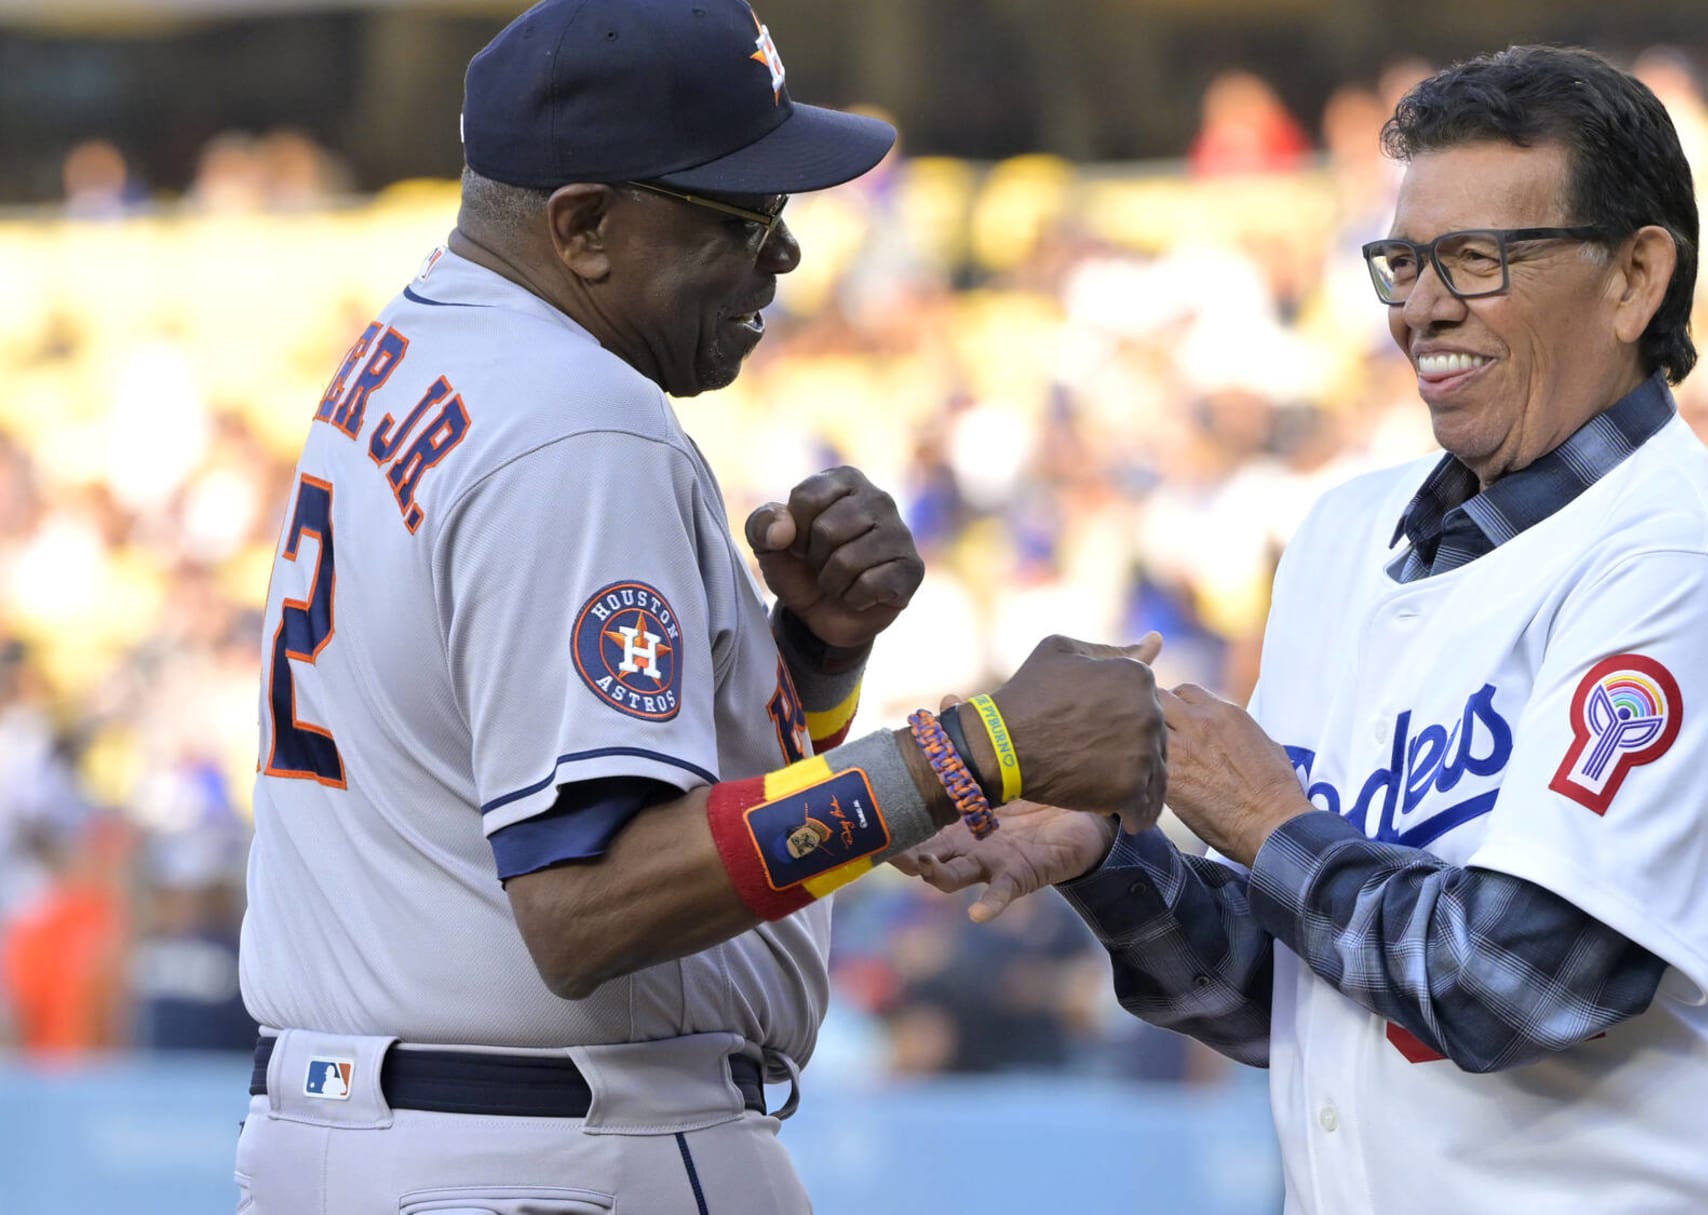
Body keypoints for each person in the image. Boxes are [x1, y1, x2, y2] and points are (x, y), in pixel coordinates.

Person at [901, 46, 1708, 1212]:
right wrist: (1117, 862)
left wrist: (1266, 824)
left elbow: (1512, 982)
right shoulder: (1341, 538)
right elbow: (1304, 996)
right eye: (1406, 261)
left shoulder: (1683, 560)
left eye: (1479, 259)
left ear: (1635, 277)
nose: (1423, 306)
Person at [232, 2, 1166, 1212]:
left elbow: (579, 807)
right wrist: (979, 751)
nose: (783, 254)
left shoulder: (421, 347)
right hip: (547, 1148)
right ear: (584, 226)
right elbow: (588, 908)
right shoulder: (575, 419)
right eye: (743, 213)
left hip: (384, 1135)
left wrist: (811, 662)